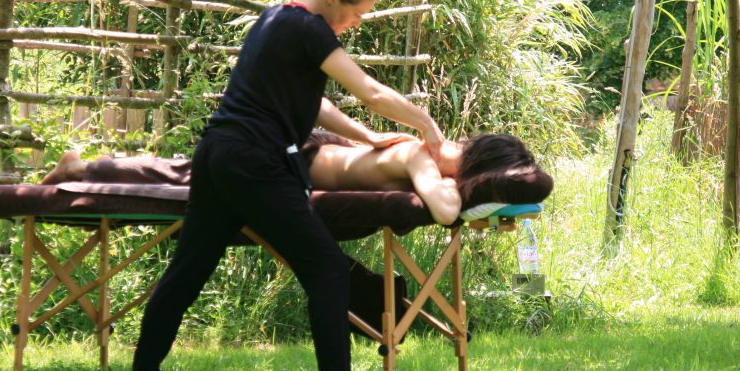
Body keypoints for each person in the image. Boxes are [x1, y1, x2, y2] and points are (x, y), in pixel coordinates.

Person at [128, 0, 446, 371]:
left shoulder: (275, 18)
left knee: (189, 269)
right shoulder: (311, 28)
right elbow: (371, 91)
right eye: (357, 13)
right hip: (256, 161)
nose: (356, 24)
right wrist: (426, 123)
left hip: (218, 154)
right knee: (328, 268)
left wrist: (369, 140)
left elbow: (313, 104)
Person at [43, 130, 550, 227]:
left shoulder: (431, 162)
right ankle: (80, 171)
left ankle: (86, 167)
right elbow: (443, 210)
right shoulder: (422, 159)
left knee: (187, 175)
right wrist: (473, 205)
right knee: (186, 179)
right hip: (286, 160)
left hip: (301, 162)